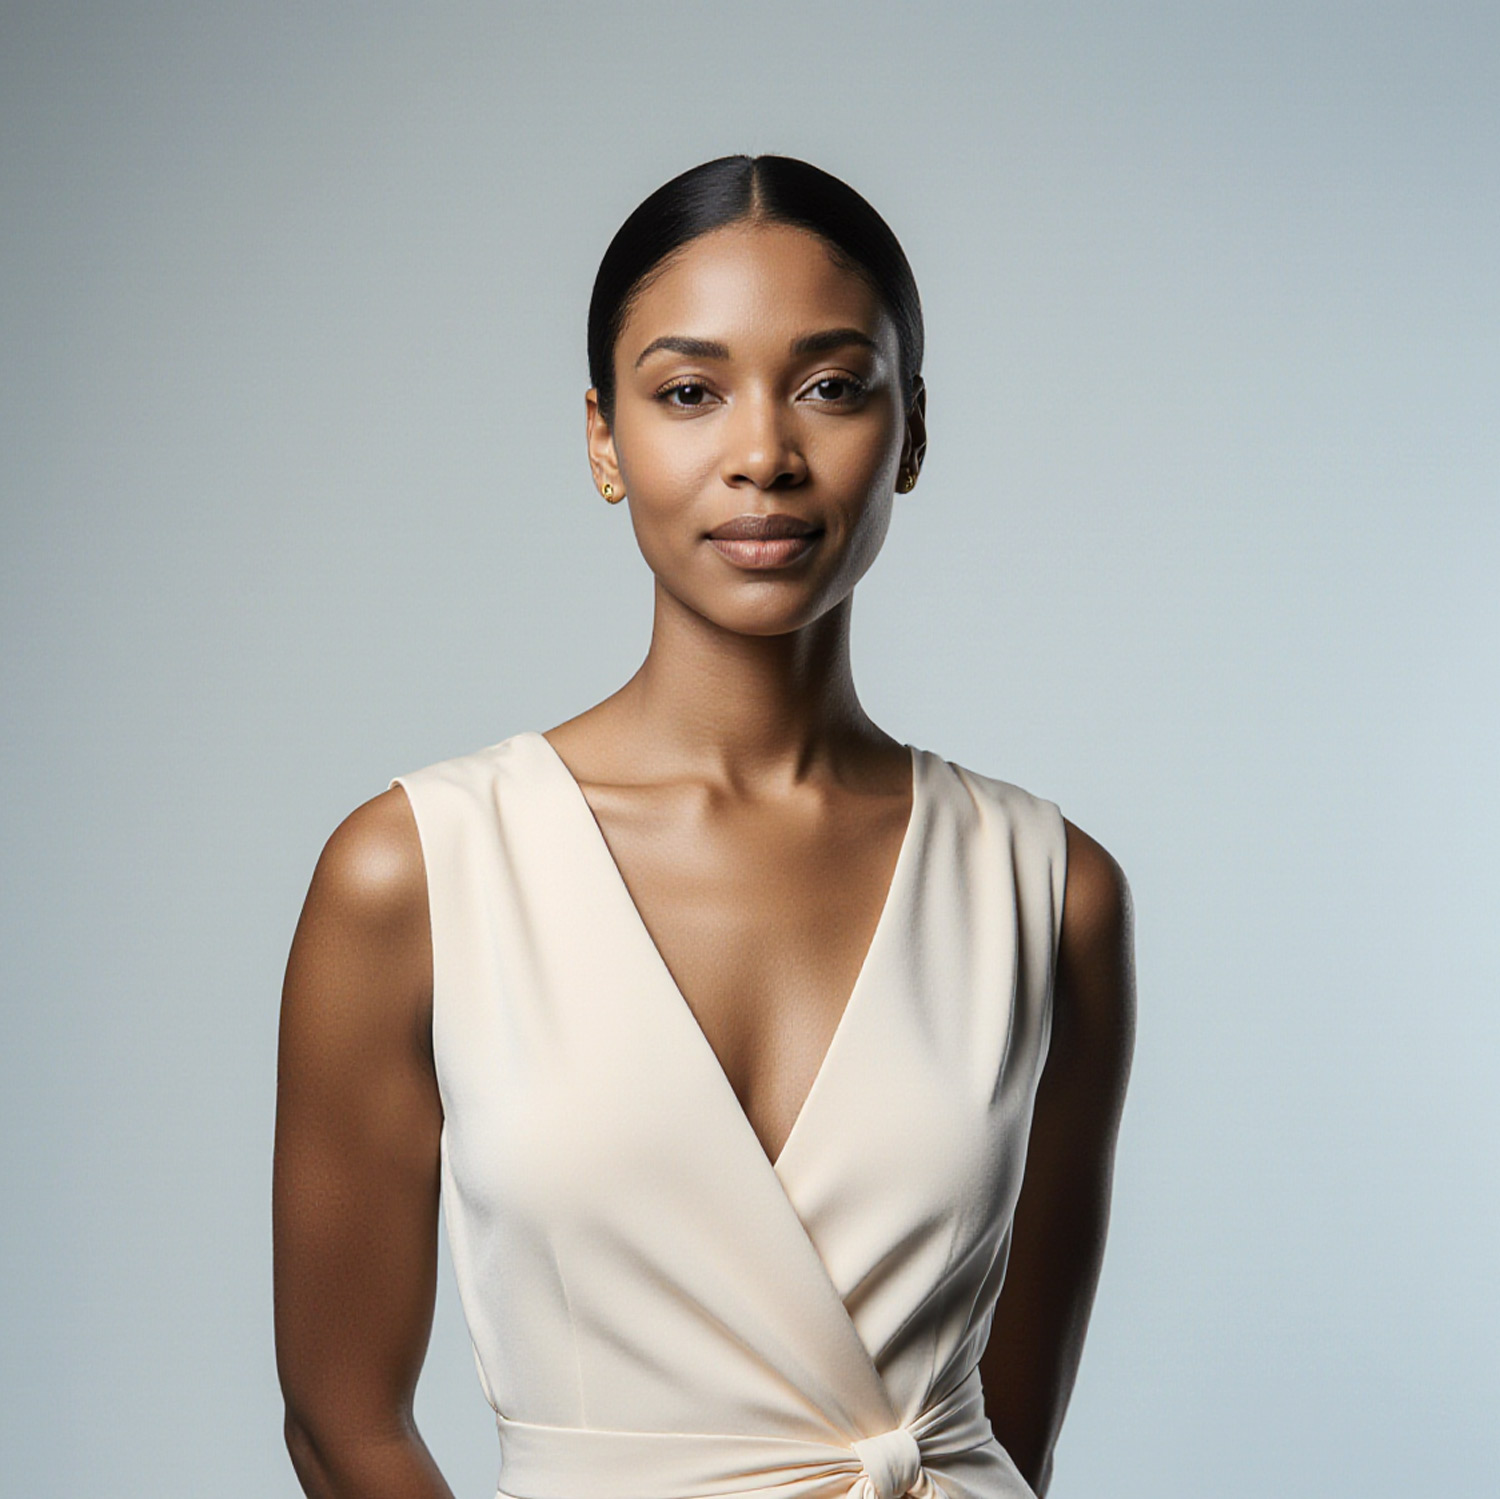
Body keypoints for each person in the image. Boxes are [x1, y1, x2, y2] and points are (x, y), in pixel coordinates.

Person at [273, 154, 1135, 1499]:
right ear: (605, 439)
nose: (762, 454)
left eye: (832, 385)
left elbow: (1010, 1428)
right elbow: (341, 1425)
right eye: (688, 392)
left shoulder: (1051, 891)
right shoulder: (419, 872)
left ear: (910, 432)